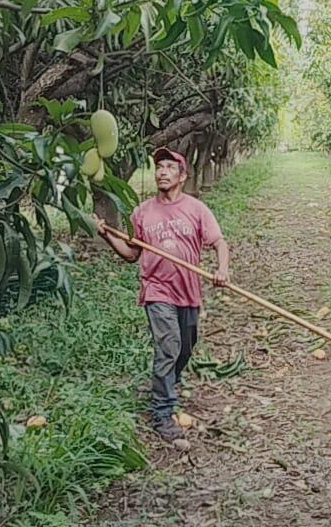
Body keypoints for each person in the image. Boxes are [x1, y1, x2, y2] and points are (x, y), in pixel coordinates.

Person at [97, 147, 231, 450]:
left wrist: (222, 270)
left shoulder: (196, 209)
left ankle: (168, 381)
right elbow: (132, 254)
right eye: (159, 167)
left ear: (183, 175)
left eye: (170, 167)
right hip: (158, 291)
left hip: (189, 291)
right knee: (168, 346)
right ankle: (162, 413)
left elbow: (219, 242)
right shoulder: (142, 212)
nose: (162, 172)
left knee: (185, 347)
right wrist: (108, 235)